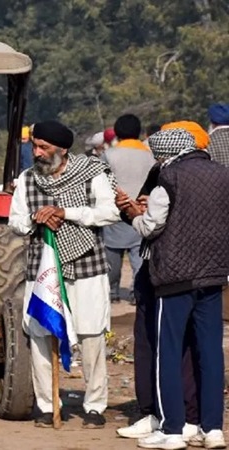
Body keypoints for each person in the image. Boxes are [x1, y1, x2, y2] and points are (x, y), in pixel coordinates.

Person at [120, 127, 228, 450]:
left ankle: (172, 429)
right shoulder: (223, 175)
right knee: (210, 352)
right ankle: (213, 429)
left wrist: (132, 214)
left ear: (166, 153)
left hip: (174, 278)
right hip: (213, 276)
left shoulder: (168, 177)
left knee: (167, 351)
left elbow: (152, 226)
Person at [8, 120, 119, 428]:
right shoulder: (27, 179)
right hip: (41, 266)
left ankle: (95, 406)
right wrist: (35, 217)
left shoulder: (92, 172)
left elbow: (110, 212)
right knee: (42, 334)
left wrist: (66, 213)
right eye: (35, 146)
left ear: (62, 150)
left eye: (44, 147)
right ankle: (46, 405)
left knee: (91, 335)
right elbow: (15, 221)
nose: (37, 152)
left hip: (87, 266)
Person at [101, 114, 156, 304]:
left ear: (116, 132)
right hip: (141, 210)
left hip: (116, 211)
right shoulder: (150, 154)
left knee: (112, 255)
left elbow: (102, 182)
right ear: (139, 131)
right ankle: (137, 292)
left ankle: (113, 293)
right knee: (138, 254)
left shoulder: (109, 155)